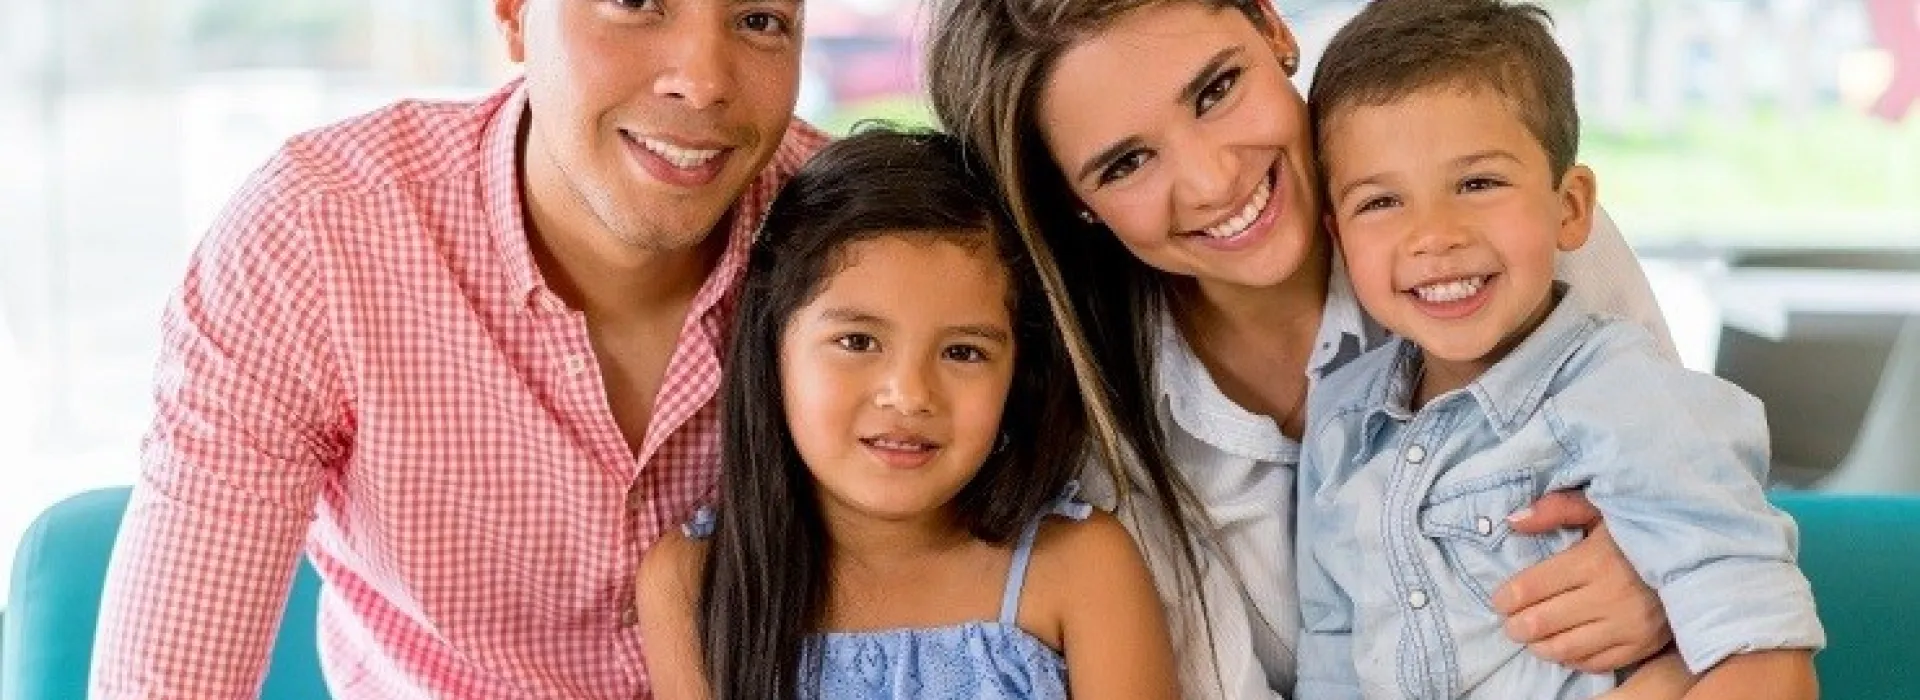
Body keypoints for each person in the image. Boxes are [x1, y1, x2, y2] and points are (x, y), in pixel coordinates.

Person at [925, 1, 1692, 697]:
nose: (1213, 179)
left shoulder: (1504, 236)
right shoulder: (1093, 427)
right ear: (1074, 202)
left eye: (1216, 89)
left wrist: (1671, 573)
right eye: (1126, 164)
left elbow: (1700, 513)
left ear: (1273, 28)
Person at [91, 1, 824, 697]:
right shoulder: (317, 240)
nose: (702, 83)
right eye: (635, 3)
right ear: (513, 15)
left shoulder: (857, 246)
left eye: (760, 20)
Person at [1293, 2, 1825, 697]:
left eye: (1477, 184)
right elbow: (1331, 662)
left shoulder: (1636, 402)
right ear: (1339, 239)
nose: (1434, 234)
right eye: (1381, 203)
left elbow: (1768, 666)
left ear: (1570, 208)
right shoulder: (1340, 428)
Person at [636, 128, 1178, 700]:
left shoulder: (1079, 566)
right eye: (858, 342)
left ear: (1019, 373)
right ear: (774, 348)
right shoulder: (694, 582)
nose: (910, 395)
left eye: (963, 352)